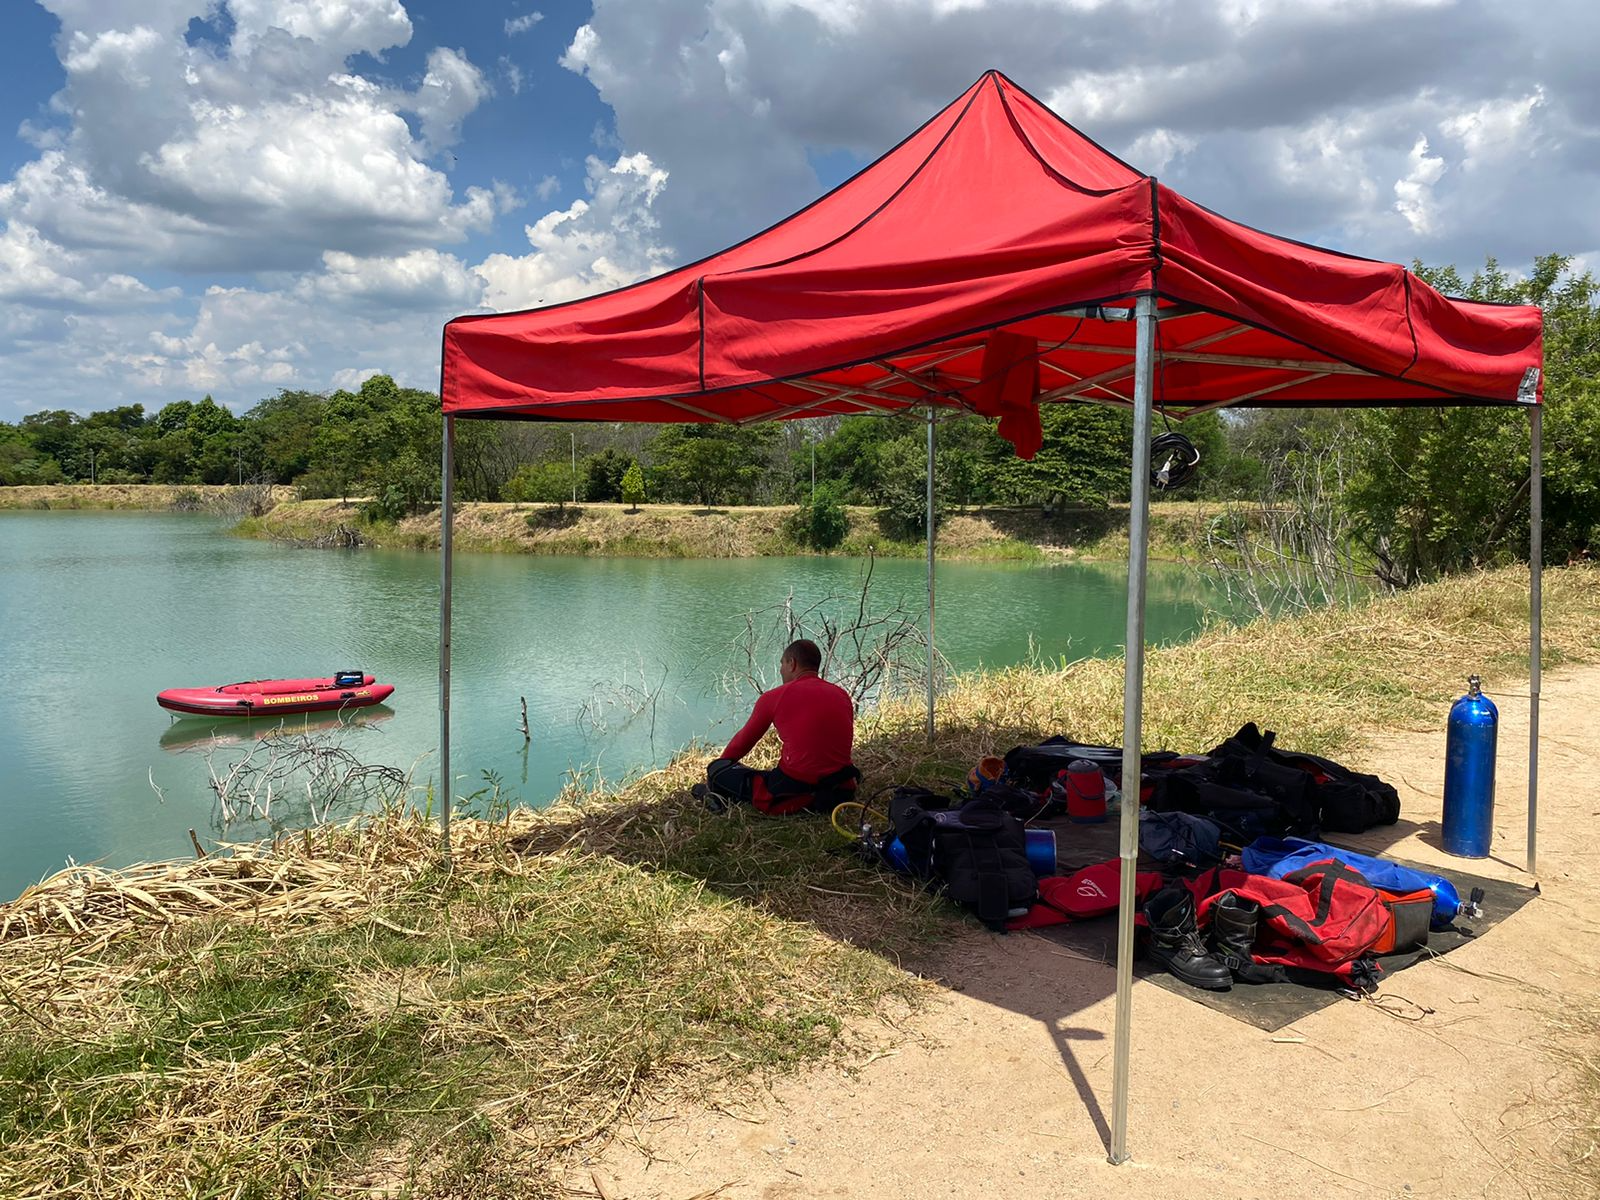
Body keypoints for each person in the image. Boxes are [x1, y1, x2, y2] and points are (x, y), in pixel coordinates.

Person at [697, 638, 858, 815]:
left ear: (792, 663)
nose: (781, 670)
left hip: (796, 795)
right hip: (842, 790)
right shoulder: (841, 694)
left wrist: (721, 766)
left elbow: (742, 743)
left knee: (717, 770)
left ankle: (717, 795)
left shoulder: (775, 697)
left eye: (782, 663)